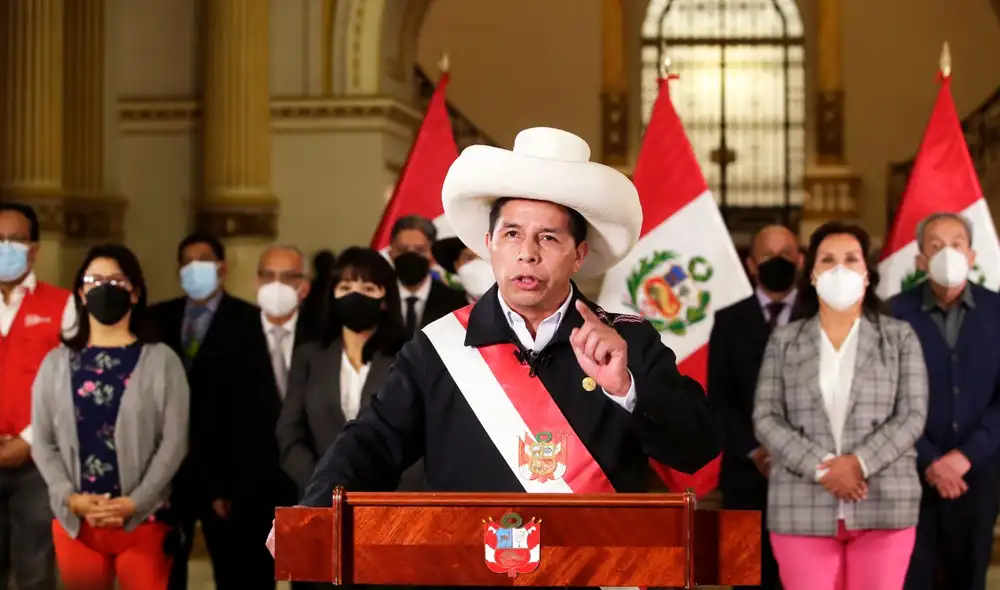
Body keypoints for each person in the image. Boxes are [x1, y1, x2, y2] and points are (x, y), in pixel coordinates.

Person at [267, 127, 722, 572]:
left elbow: (697, 447)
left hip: (595, 576)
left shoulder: (627, 342)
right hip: (467, 577)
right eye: (511, 234)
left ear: (578, 255)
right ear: (488, 245)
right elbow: (371, 442)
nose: (527, 253)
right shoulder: (437, 348)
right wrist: (314, 512)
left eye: (548, 237)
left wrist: (626, 388)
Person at [753, 221, 928, 590]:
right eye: (828, 260)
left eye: (851, 259)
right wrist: (824, 470)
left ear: (867, 274)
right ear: (812, 275)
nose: (840, 269)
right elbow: (766, 417)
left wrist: (858, 464)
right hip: (801, 505)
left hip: (884, 502)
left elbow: (912, 416)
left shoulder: (899, 338)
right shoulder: (784, 341)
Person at [30, 244, 189, 590]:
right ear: (81, 293)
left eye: (116, 280)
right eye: (94, 280)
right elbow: (42, 441)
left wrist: (136, 501)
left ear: (135, 292)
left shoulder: (162, 361)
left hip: (144, 521)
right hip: (78, 522)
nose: (104, 288)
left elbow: (174, 442)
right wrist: (69, 497)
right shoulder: (56, 363)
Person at [892, 212, 1000, 590]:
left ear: (972, 255)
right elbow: (885, 400)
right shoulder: (892, 314)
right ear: (921, 260)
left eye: (956, 245)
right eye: (936, 246)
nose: (947, 253)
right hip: (909, 475)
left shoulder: (997, 311)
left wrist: (965, 456)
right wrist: (930, 460)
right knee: (910, 578)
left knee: (969, 577)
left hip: (980, 475)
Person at [147, 232, 259, 590]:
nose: (194, 269)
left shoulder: (249, 321)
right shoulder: (156, 320)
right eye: (187, 262)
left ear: (222, 268)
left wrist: (231, 482)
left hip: (222, 473)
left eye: (203, 261)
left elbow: (251, 406)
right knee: (165, 572)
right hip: (167, 472)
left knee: (234, 571)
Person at [277, 246, 410, 503]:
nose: (356, 296)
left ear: (385, 299)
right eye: (346, 288)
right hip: (318, 502)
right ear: (333, 296)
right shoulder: (309, 357)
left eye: (368, 289)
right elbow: (289, 434)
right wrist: (325, 485)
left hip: (388, 506)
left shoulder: (407, 358)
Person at [709, 224, 802, 590]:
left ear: (800, 260)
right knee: (745, 574)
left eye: (786, 254)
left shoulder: (819, 314)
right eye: (768, 256)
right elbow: (720, 399)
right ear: (751, 264)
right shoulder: (730, 321)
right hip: (745, 474)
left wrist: (792, 453)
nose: (777, 262)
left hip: (806, 479)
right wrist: (756, 451)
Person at [0, 202, 77, 590]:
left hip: (38, 464)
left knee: (34, 574)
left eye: (15, 240)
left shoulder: (63, 305)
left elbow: (71, 387)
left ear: (34, 248)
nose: (5, 247)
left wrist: (26, 442)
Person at [388, 216, 468, 337]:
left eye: (420, 250)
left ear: (432, 254)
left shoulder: (457, 303)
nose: (411, 256)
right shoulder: (376, 299)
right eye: (402, 250)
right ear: (390, 253)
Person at [431, 236, 494, 302]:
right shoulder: (451, 308)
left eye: (484, 255)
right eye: (470, 258)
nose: (480, 262)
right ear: (456, 266)